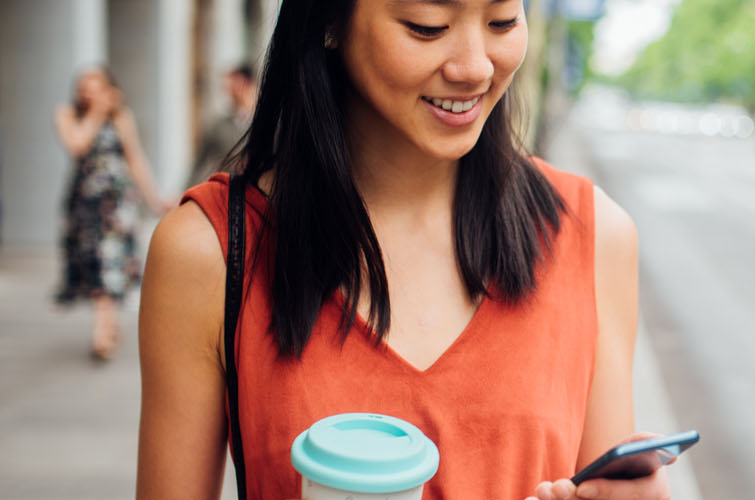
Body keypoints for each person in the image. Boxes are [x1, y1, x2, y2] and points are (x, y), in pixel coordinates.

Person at [135, 1, 663, 499]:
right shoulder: (208, 253)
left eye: (502, 20)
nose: (475, 67)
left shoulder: (596, 238)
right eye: (427, 26)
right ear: (329, 19)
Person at [52, 67, 168, 360]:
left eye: (96, 87)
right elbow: (77, 144)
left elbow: (135, 158)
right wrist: (97, 112)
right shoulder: (68, 114)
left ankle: (101, 332)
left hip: (117, 205)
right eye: (85, 87)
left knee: (110, 262)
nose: (90, 93)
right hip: (85, 205)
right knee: (95, 264)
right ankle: (108, 322)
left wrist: (154, 198)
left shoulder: (121, 116)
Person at [188, 64, 257, 188]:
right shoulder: (219, 126)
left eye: (233, 83)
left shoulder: (267, 124)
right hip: (225, 192)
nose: (228, 89)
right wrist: (186, 191)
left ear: (247, 83)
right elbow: (200, 163)